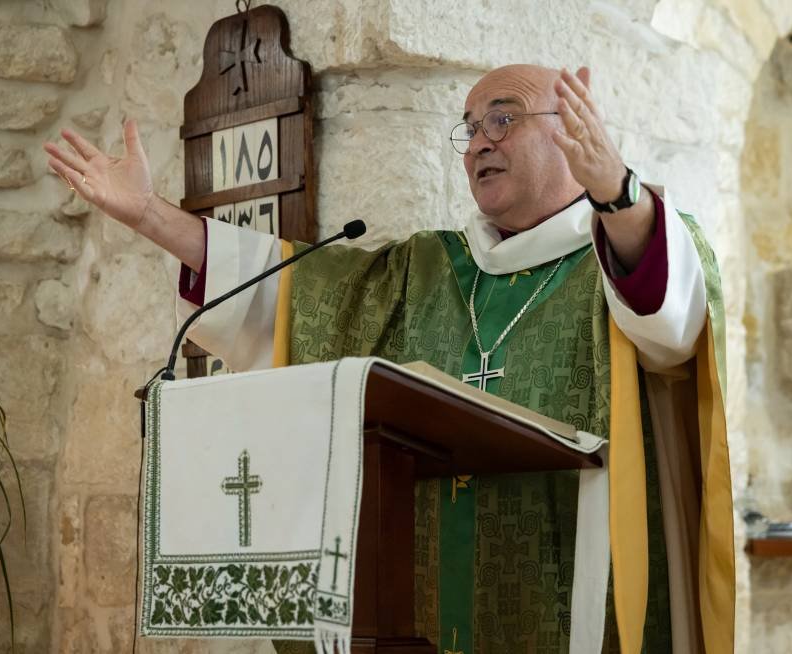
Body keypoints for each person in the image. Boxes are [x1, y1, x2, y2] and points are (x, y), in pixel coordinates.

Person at [44, 64, 734, 654]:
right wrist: (149, 215)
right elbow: (290, 295)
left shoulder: (635, 245)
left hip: (573, 589)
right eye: (470, 128)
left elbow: (670, 328)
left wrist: (617, 193)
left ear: (574, 132)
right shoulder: (427, 269)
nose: (479, 143)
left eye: (503, 119)